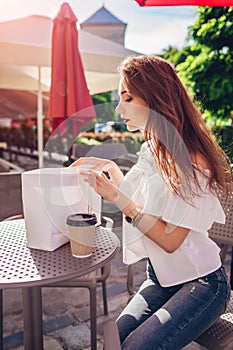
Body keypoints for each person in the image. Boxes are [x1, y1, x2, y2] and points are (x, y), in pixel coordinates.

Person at [70, 55, 232, 350]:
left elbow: (170, 240)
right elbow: (133, 194)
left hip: (202, 283)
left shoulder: (191, 159)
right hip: (160, 278)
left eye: (128, 97)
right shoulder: (152, 148)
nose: (119, 108)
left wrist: (117, 198)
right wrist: (109, 167)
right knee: (112, 342)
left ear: (156, 97)